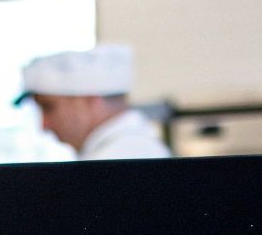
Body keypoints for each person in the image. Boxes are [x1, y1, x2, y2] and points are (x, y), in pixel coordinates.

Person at [16, 43, 172, 161]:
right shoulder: (121, 151)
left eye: (47, 107)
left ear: (89, 100)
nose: (43, 125)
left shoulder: (120, 158)